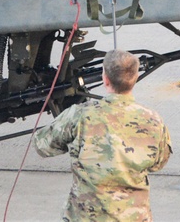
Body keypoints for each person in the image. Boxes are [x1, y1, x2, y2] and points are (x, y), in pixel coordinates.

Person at [33, 50, 172, 222]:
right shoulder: (153, 120)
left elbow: (42, 146)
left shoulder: (80, 115)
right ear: (135, 78)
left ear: (105, 79)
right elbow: (158, 163)